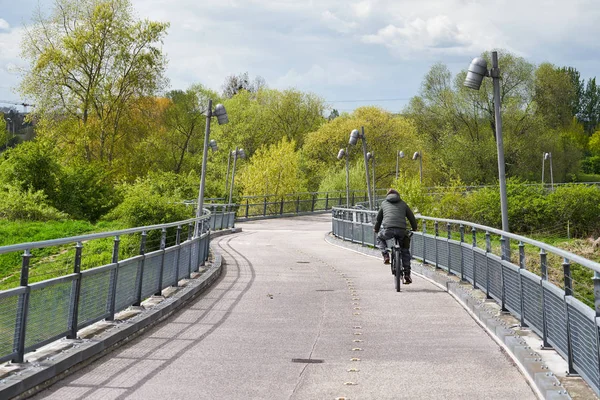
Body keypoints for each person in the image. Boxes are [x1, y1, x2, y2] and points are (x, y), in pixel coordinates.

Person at [373, 188, 418, 284]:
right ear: (398, 195)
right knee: (405, 250)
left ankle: (385, 255)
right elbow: (411, 217)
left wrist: (376, 229)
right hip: (402, 230)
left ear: (387, 195)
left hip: (388, 229)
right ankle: (407, 274)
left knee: (380, 237)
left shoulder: (384, 203)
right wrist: (414, 227)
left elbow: (378, 219)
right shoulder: (403, 203)